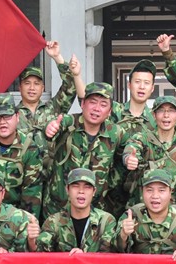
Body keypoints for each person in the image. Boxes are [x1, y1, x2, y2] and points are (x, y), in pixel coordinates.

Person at [43, 82, 126, 217]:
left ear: (109, 111)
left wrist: (109, 183)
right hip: (59, 209)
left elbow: (127, 154)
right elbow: (54, 126)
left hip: (94, 211)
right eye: (92, 102)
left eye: (103, 104)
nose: (97, 108)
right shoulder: (69, 123)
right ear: (82, 104)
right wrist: (50, 129)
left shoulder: (115, 133)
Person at [0, 40, 84, 135]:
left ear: (42, 88)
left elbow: (71, 86)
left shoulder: (54, 108)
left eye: (36, 83)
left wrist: (57, 57)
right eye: (27, 83)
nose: (32, 87)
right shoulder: (12, 114)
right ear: (20, 87)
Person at [121, 96, 176, 209]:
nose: (166, 115)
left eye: (171, 111)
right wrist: (129, 158)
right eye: (161, 110)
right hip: (141, 211)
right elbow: (132, 148)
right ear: (154, 115)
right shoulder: (143, 139)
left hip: (171, 213)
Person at [111, 59, 158, 134]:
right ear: (129, 85)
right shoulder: (113, 111)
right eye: (137, 82)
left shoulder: (156, 119)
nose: (142, 87)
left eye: (146, 83)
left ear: (152, 88)